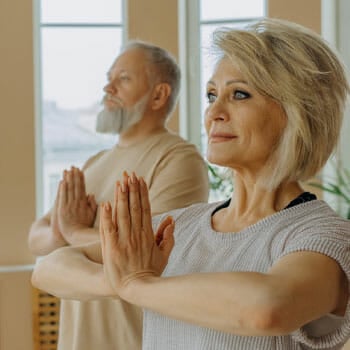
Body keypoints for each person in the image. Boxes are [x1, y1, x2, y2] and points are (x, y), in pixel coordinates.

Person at [32, 18, 350, 349]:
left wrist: (137, 283)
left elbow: (266, 310)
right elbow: (48, 268)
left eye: (239, 94)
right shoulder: (182, 226)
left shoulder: (323, 236)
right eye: (212, 95)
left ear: (297, 112)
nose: (214, 112)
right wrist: (119, 281)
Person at [28, 40, 209, 350]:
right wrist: (62, 231)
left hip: (136, 340)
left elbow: (149, 250)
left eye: (123, 78)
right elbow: (37, 238)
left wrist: (72, 230)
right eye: (109, 77)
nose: (107, 87)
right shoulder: (94, 163)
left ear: (158, 94)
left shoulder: (179, 159)